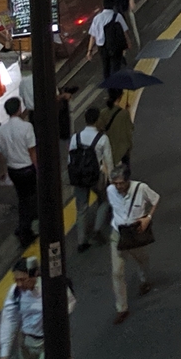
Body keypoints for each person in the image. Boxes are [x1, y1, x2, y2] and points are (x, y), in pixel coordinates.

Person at [105, 162, 158, 324]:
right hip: (118, 234)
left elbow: (155, 199)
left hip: (135, 233)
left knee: (142, 259)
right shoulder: (110, 190)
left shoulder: (141, 188)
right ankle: (122, 308)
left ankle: (144, 280)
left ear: (128, 180)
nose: (118, 187)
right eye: (115, 183)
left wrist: (148, 218)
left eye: (121, 183)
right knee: (117, 272)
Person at [0, 255, 72, 359]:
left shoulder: (51, 287)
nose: (19, 284)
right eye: (16, 280)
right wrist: (4, 351)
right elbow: (9, 319)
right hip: (26, 343)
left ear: (34, 274)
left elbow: (70, 303)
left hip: (49, 343)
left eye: (23, 279)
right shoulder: (15, 292)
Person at [0, 98, 38, 245]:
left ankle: (23, 225)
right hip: (27, 168)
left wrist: (2, 170)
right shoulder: (27, 127)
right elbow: (32, 151)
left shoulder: (1, 130)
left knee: (22, 198)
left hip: (13, 170)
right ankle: (25, 230)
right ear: (19, 109)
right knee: (29, 200)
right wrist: (37, 168)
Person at [66, 105, 113, 251]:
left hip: (79, 177)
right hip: (95, 176)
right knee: (104, 200)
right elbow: (109, 162)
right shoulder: (102, 138)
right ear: (97, 120)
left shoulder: (75, 137)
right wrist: (111, 180)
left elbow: (70, 159)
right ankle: (97, 229)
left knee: (81, 208)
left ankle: (81, 241)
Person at [89, 0, 130, 81]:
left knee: (106, 67)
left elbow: (93, 36)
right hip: (116, 45)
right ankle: (116, 83)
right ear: (114, 5)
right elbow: (124, 31)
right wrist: (128, 43)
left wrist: (89, 51)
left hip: (102, 47)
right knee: (116, 65)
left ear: (103, 5)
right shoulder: (117, 16)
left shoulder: (97, 18)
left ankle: (109, 84)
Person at [97, 87, 135, 175]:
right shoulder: (124, 113)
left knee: (111, 170)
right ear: (120, 96)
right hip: (123, 148)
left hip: (109, 147)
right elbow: (130, 128)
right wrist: (128, 110)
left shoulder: (103, 112)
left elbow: (100, 128)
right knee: (125, 172)